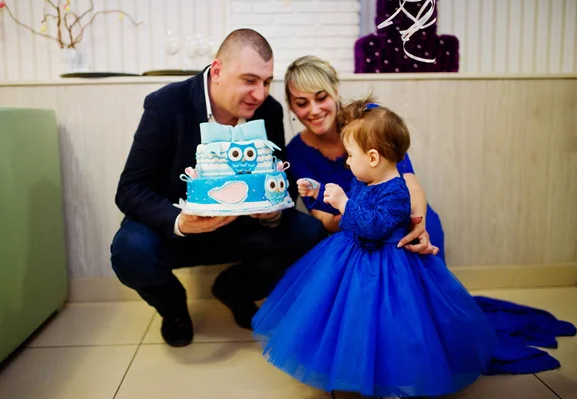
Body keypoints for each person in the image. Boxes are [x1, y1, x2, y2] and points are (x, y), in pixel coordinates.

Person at [252, 99, 496, 398]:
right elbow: (349, 212)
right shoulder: (363, 178)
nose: (346, 162)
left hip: (388, 265)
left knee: (390, 324)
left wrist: (344, 202)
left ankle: (393, 379)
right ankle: (351, 368)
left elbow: (376, 226)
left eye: (350, 155)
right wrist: (319, 193)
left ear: (372, 157)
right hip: (352, 256)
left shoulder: (396, 191)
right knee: (350, 318)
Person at [110, 29, 326, 348]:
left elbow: (279, 181)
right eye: (249, 80)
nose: (260, 93)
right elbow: (129, 189)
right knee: (129, 251)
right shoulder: (166, 105)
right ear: (218, 70)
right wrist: (180, 221)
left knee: (308, 232)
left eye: (266, 82)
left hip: (241, 229)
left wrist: (272, 211)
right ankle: (173, 309)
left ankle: (235, 290)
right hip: (176, 231)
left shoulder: (270, 111)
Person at [284, 55, 445, 262]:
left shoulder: (369, 121)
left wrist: (418, 223)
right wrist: (348, 208)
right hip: (358, 233)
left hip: (407, 215)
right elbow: (325, 219)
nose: (314, 110)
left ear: (335, 91)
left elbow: (410, 185)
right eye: (302, 103)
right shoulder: (296, 152)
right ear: (291, 106)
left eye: (321, 97)